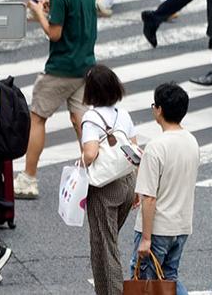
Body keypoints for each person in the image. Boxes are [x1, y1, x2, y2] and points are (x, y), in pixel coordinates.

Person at [16, 0, 98, 200]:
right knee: (80, 122)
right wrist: (51, 7)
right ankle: (94, 174)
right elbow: (75, 17)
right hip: (86, 66)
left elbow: (54, 33)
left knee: (38, 118)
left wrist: (39, 13)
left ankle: (29, 178)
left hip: (61, 68)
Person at [131, 83, 199, 295]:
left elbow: (149, 198)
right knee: (169, 279)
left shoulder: (156, 146)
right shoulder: (191, 141)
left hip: (158, 228)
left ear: (159, 110)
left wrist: (146, 239)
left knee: (144, 282)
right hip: (181, 225)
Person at [79, 65, 138, 295]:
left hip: (105, 188)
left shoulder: (91, 117)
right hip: (128, 183)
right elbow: (134, 150)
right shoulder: (123, 115)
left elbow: (91, 153)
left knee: (106, 246)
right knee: (102, 242)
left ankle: (114, 292)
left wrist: (80, 161)